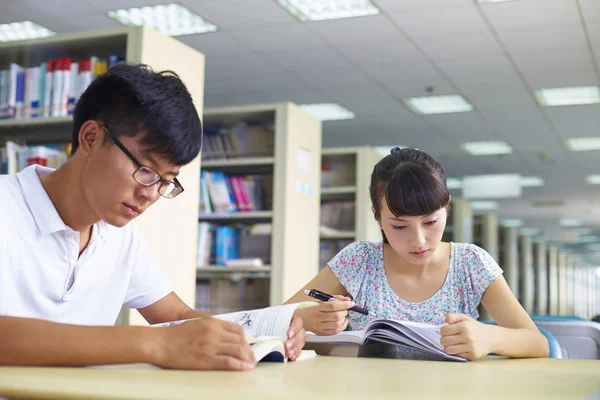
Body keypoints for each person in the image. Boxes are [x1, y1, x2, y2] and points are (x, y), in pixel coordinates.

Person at [0, 63, 305, 370]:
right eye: (145, 169)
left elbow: (175, 317)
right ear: (91, 138)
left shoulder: (119, 235)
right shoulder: (7, 207)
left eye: (166, 180)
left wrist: (261, 336)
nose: (150, 193)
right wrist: (152, 343)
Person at [287, 147, 548, 360]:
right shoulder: (359, 261)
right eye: (399, 226)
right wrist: (305, 317)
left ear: (446, 209)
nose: (419, 241)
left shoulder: (470, 263)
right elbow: (269, 321)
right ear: (377, 218)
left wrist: (489, 338)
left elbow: (538, 343)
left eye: (431, 222)